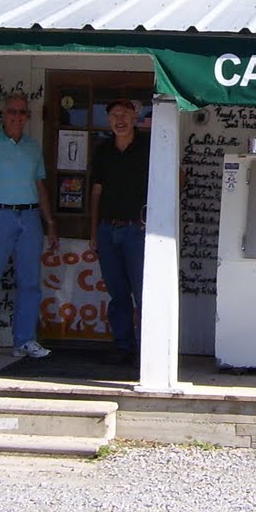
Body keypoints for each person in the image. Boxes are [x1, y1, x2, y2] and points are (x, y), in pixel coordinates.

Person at [0, 92, 56, 361]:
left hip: (29, 216)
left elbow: (40, 186)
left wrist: (50, 222)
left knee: (29, 282)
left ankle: (25, 340)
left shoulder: (32, 146)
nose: (16, 116)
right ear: (4, 115)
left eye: (21, 112)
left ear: (27, 117)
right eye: (12, 112)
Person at [89, 97, 149, 356]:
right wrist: (93, 232)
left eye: (125, 114)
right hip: (107, 229)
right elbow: (96, 192)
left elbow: (177, 174)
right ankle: (124, 346)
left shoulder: (149, 146)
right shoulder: (103, 149)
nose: (120, 120)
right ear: (109, 120)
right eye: (114, 115)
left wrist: (162, 215)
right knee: (118, 292)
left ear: (135, 118)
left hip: (139, 229)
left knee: (143, 290)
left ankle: (148, 349)